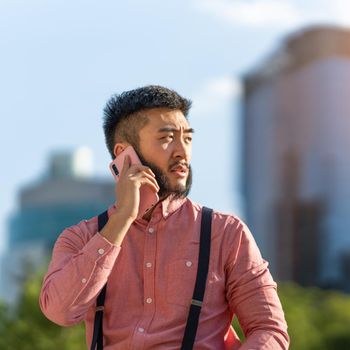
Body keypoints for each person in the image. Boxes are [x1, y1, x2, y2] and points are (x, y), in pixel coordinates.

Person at [39, 85, 289, 349]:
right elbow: (60, 312)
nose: (183, 151)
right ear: (124, 155)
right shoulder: (81, 238)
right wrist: (123, 218)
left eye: (188, 138)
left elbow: (269, 330)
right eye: (167, 138)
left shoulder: (226, 233)